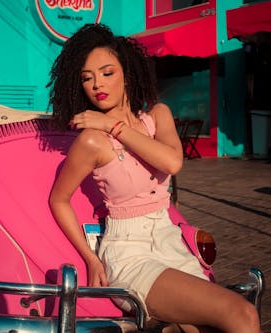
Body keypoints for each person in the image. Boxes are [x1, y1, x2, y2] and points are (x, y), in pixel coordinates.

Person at [48, 24, 260, 333]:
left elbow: (172, 161)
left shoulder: (157, 116)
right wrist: (91, 259)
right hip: (129, 253)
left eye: (107, 73)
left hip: (170, 241)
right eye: (87, 78)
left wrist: (113, 125)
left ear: (128, 74)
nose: (97, 85)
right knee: (242, 313)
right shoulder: (91, 141)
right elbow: (59, 199)